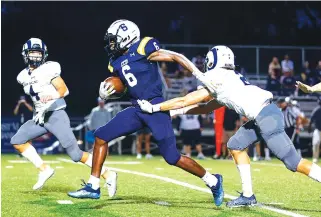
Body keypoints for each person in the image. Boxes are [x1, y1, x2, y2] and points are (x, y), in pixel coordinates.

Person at [138, 45, 321, 207]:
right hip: (264, 115)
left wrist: (156, 107)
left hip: (266, 117)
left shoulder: (217, 77)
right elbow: (206, 108)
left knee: (293, 162)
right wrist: (175, 112)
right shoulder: (229, 78)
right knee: (235, 145)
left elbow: (187, 99)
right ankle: (248, 195)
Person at [68, 20, 224, 206]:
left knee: (172, 157)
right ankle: (93, 186)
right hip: (137, 108)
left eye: (113, 40)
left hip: (156, 107)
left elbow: (175, 57)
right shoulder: (115, 61)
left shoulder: (143, 47)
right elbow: (126, 88)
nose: (111, 45)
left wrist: (200, 75)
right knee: (101, 136)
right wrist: (108, 93)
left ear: (126, 37)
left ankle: (213, 181)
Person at [10, 38, 117, 197]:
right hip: (40, 117)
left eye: (38, 53)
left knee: (75, 154)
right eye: (32, 53)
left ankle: (108, 174)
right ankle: (44, 169)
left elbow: (63, 90)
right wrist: (39, 109)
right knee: (17, 141)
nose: (35, 56)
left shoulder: (49, 68)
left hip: (56, 115)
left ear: (44, 55)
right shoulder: (22, 76)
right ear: (25, 54)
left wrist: (48, 101)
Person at [309, 97, 321, 163]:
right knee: (316, 143)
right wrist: (309, 128)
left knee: (316, 144)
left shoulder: (316, 109)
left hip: (318, 129)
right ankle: (315, 158)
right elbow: (311, 120)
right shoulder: (317, 110)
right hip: (318, 129)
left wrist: (309, 128)